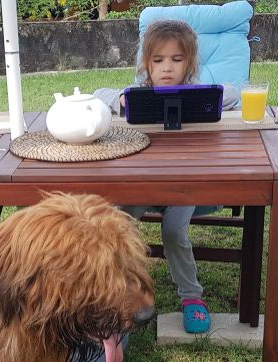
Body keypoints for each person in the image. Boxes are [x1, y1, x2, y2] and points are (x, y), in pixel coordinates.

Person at [94, 20, 239, 334]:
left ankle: (191, 297)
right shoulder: (138, 97)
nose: (167, 68)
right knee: (117, 228)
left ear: (189, 63)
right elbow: (97, 94)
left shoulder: (197, 96)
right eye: (158, 60)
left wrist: (202, 96)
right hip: (141, 184)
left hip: (184, 186)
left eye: (177, 59)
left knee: (174, 232)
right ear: (146, 64)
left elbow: (232, 94)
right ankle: (116, 292)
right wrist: (120, 98)